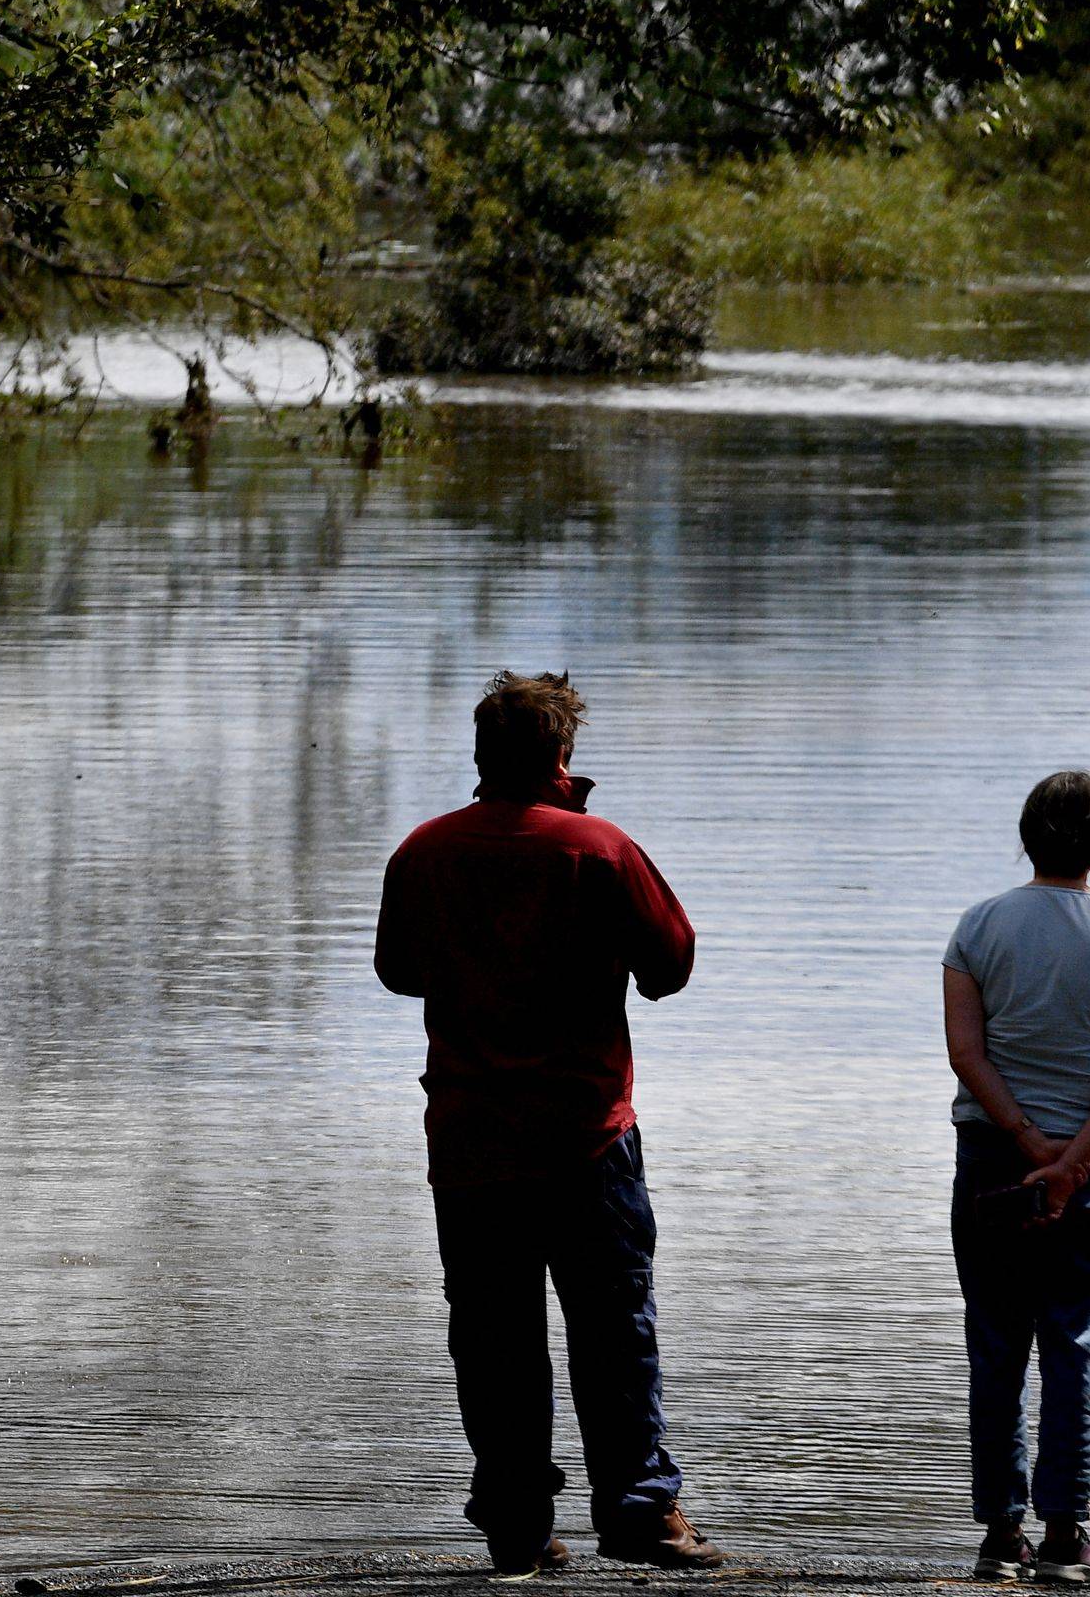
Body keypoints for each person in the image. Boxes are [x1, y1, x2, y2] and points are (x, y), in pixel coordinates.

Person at [376, 671, 723, 1575]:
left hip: (471, 1142)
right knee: (614, 1332)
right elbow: (671, 966)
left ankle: (518, 1529)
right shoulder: (601, 850)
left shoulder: (424, 852)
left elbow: (398, 971)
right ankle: (641, 1514)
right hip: (585, 1137)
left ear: (482, 756)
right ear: (562, 754)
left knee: (492, 1338)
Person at [942, 769, 1090, 1585]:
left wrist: (1030, 1143)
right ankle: (1069, 1538)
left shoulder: (978, 926)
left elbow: (967, 1053)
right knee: (1072, 1345)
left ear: (1027, 837)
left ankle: (1003, 1538)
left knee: (997, 1344)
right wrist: (1073, 1160)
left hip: (994, 1162)